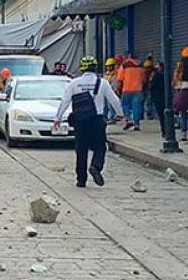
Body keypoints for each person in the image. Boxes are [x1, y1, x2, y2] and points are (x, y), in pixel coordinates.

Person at [54, 56, 122, 188]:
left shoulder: (74, 83)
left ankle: (81, 179)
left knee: (81, 149)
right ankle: (96, 166)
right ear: (95, 67)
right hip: (97, 119)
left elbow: (65, 101)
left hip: (80, 120)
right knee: (100, 146)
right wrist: (120, 114)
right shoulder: (102, 83)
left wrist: (58, 118)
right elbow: (114, 100)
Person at [119, 57, 145, 131]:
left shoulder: (124, 66)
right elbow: (143, 79)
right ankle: (137, 125)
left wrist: (117, 89)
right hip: (138, 89)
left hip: (126, 89)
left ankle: (128, 119)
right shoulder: (140, 66)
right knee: (136, 107)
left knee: (125, 105)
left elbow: (120, 79)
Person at [149, 62, 166, 136]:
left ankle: (164, 130)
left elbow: (152, 86)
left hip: (158, 97)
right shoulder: (166, 74)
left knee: (161, 114)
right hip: (165, 97)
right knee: (164, 114)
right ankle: (166, 130)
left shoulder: (156, 75)